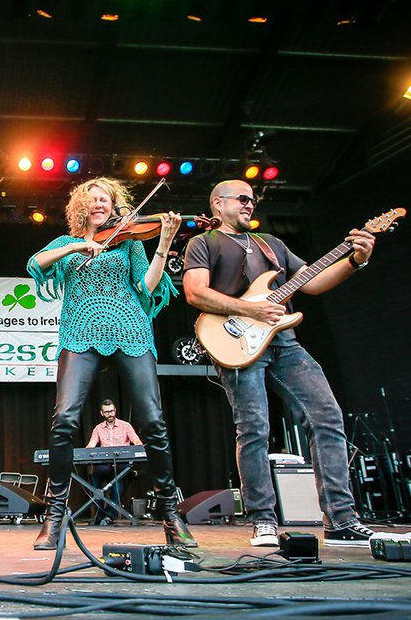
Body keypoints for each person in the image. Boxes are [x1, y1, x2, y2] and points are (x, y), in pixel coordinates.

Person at [183, 179, 377, 548]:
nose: (249, 204)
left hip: (284, 340)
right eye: (241, 198)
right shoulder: (203, 243)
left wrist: (355, 260)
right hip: (235, 339)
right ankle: (262, 520)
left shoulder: (272, 245)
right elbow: (195, 292)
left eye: (252, 199)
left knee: (328, 416)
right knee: (254, 427)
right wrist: (250, 308)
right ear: (217, 204)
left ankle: (341, 519)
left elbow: (314, 283)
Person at [27, 177, 196, 550]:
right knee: (64, 418)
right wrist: (78, 246)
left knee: (153, 421)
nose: (98, 204)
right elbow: (35, 264)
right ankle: (55, 516)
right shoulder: (66, 244)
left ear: (114, 204)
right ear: (80, 208)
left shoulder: (130, 241)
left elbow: (148, 287)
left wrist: (164, 244)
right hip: (80, 332)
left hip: (130, 329)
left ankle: (170, 514)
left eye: (104, 199)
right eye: (91, 199)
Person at [85, 399, 142, 526]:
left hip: (121, 463)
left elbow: (137, 441)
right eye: (106, 412)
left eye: (111, 411)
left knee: (118, 479)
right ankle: (99, 514)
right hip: (105, 464)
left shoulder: (125, 426)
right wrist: (85, 453)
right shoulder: (98, 428)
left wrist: (136, 448)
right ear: (102, 413)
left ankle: (110, 515)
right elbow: (91, 445)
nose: (110, 414)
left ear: (115, 411)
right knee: (96, 476)